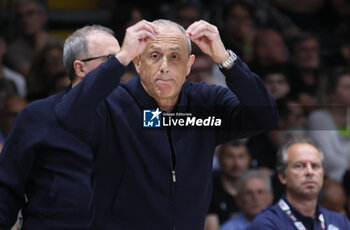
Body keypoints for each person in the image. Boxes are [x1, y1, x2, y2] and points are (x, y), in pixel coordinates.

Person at [55, 19, 278, 229]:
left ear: (189, 65)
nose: (164, 66)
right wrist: (120, 58)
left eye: (175, 57)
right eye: (154, 55)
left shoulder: (207, 103)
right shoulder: (112, 103)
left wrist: (224, 59)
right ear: (138, 62)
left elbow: (265, 117)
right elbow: (67, 116)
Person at [0, 25, 120, 229]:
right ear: (80, 68)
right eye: (111, 60)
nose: (121, 67)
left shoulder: (135, 112)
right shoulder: (37, 115)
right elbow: (7, 188)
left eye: (124, 59)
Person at [249, 137, 350, 230]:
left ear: (323, 174)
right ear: (283, 176)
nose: (310, 172)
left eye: (315, 166)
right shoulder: (267, 223)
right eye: (299, 166)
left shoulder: (340, 222)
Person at [4, 0, 61, 77]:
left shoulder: (58, 43)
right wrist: (40, 47)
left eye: (30, 13)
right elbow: (32, 78)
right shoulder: (12, 51)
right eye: (20, 16)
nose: (25, 20)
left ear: (43, 16)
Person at [206, 141, 251, 229]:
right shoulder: (210, 190)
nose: (236, 163)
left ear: (249, 159)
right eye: (230, 157)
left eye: (241, 156)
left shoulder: (259, 185)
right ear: (219, 159)